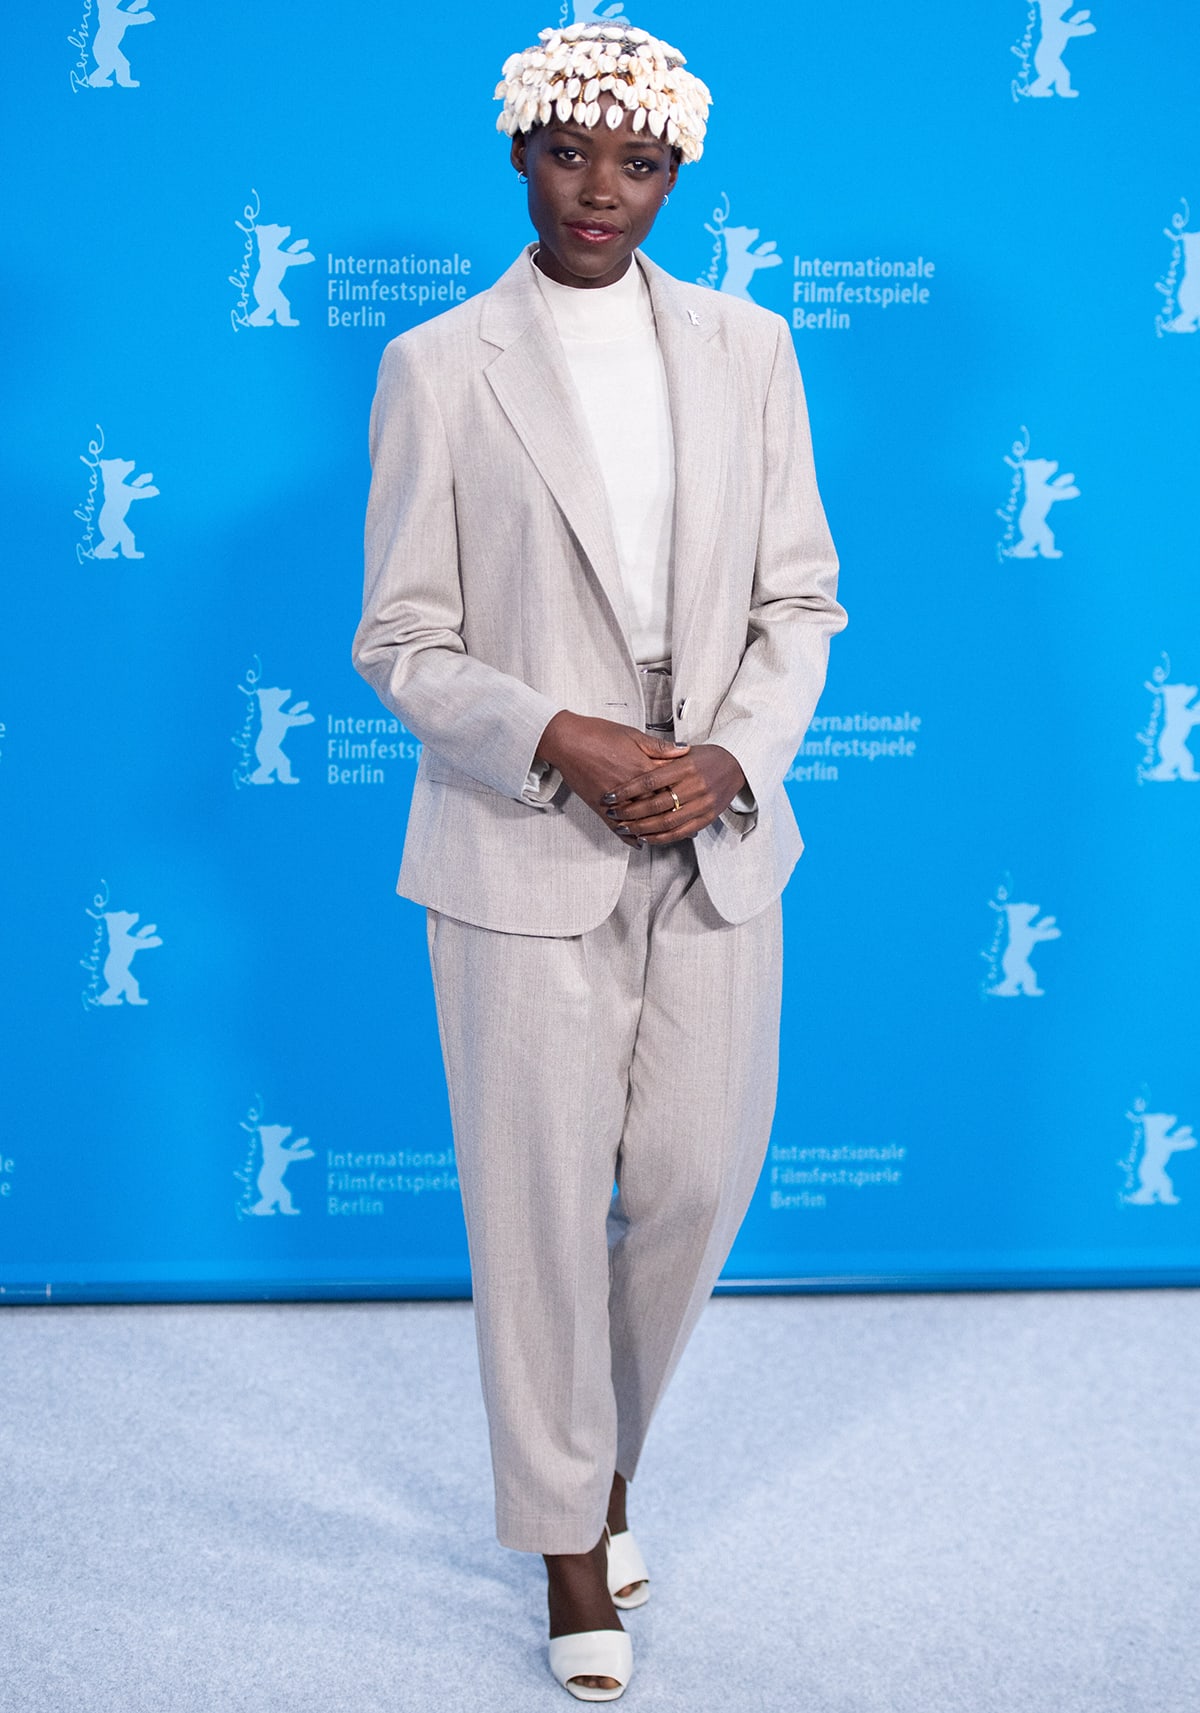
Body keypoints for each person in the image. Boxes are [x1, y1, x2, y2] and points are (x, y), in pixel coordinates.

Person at [353, 21, 846, 1701]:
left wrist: (730, 755)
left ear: (679, 176)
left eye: (637, 163)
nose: (600, 190)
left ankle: (604, 1461)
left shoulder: (752, 349)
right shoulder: (439, 364)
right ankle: (569, 1538)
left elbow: (802, 604)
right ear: (519, 154)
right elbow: (403, 645)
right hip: (519, 840)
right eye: (571, 153)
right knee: (539, 1206)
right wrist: (562, 734)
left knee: (696, 1176)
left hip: (712, 830)